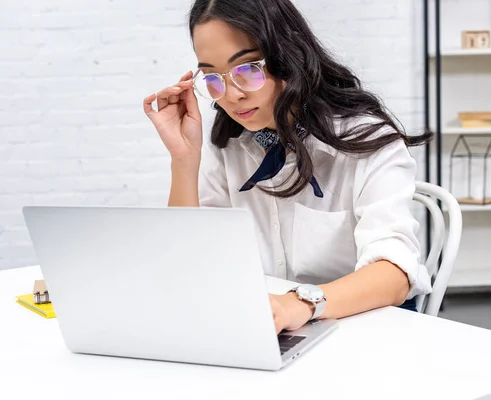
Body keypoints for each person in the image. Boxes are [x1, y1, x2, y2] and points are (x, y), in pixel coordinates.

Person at [143, 0, 433, 334]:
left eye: (248, 68)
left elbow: (394, 271)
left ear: (287, 54)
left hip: (366, 325)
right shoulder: (228, 145)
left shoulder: (367, 139)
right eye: (213, 78)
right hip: (275, 326)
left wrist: (301, 304)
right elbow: (189, 265)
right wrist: (183, 159)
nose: (231, 95)